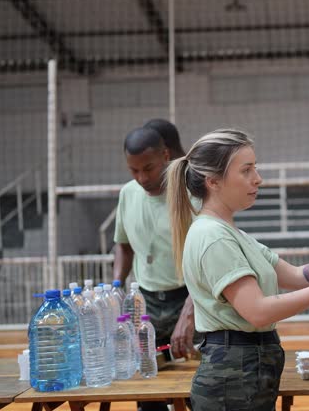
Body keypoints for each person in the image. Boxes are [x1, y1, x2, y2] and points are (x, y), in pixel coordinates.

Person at [166, 129, 309, 411]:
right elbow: (258, 311)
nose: (258, 178)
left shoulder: (230, 232)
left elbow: (296, 276)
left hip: (247, 372)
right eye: (246, 170)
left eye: (256, 168)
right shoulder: (213, 237)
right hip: (232, 379)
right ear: (213, 181)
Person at [112, 126, 196, 411]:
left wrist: (189, 312)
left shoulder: (190, 194)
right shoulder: (127, 194)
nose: (142, 178)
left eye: (148, 168)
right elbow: (123, 245)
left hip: (187, 297)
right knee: (148, 392)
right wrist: (115, 287)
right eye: (133, 170)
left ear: (165, 155)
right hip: (145, 301)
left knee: (196, 389)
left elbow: (207, 263)